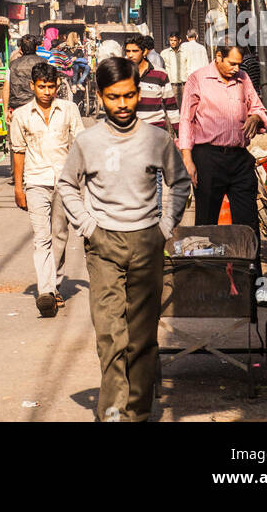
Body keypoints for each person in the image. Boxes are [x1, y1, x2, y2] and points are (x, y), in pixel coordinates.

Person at [58, 57, 190, 423]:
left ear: (137, 93)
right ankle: (113, 413)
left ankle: (138, 413)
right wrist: (88, 227)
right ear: (100, 96)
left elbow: (181, 184)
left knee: (142, 339)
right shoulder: (87, 142)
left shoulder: (157, 139)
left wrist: (163, 229)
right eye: (114, 97)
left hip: (148, 243)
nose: (122, 104)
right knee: (111, 337)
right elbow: (67, 184)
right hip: (104, 248)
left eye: (129, 95)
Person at [178, 45, 267, 305]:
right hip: (207, 157)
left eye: (239, 64)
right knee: (206, 222)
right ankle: (205, 284)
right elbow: (185, 121)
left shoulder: (243, 79)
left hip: (239, 159)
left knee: (249, 224)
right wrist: (188, 159)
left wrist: (256, 117)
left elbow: (260, 110)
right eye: (232, 63)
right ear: (218, 57)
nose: (236, 69)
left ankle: (257, 286)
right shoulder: (197, 79)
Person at [10, 60, 82, 317]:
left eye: (51, 86)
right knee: (42, 239)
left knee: (60, 236)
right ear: (33, 86)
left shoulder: (69, 110)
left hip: (65, 182)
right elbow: (18, 153)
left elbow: (80, 144)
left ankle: (56, 284)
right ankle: (46, 291)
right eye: (42, 86)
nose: (47, 92)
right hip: (36, 181)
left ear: (57, 86)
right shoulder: (20, 115)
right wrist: (19, 188)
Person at [6, 34, 40, 185]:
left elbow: (6, 87)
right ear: (37, 48)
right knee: (38, 139)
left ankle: (16, 175)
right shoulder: (43, 63)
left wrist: (5, 109)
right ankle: (37, 171)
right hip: (37, 106)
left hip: (17, 107)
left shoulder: (12, 65)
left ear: (20, 49)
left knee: (16, 143)